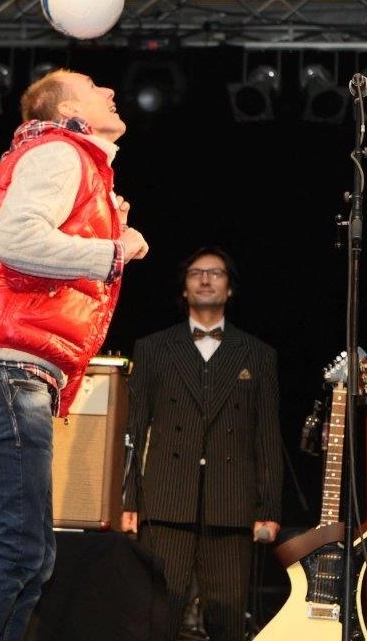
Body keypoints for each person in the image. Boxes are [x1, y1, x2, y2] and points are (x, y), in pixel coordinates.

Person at [0, 69, 149, 641]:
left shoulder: (73, 161)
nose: (110, 91)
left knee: (29, 555)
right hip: (2, 365)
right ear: (68, 106)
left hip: (4, 364)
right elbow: (17, 241)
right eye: (97, 86)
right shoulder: (59, 150)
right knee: (16, 552)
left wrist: (107, 229)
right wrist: (113, 249)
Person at [120, 246, 282, 641]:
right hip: (165, 500)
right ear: (184, 288)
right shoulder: (153, 348)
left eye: (215, 273)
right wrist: (127, 502)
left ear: (229, 289)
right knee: (159, 612)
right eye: (196, 273)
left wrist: (269, 508)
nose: (206, 279)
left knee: (226, 618)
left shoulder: (258, 354)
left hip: (231, 503)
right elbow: (133, 430)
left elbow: (267, 437)